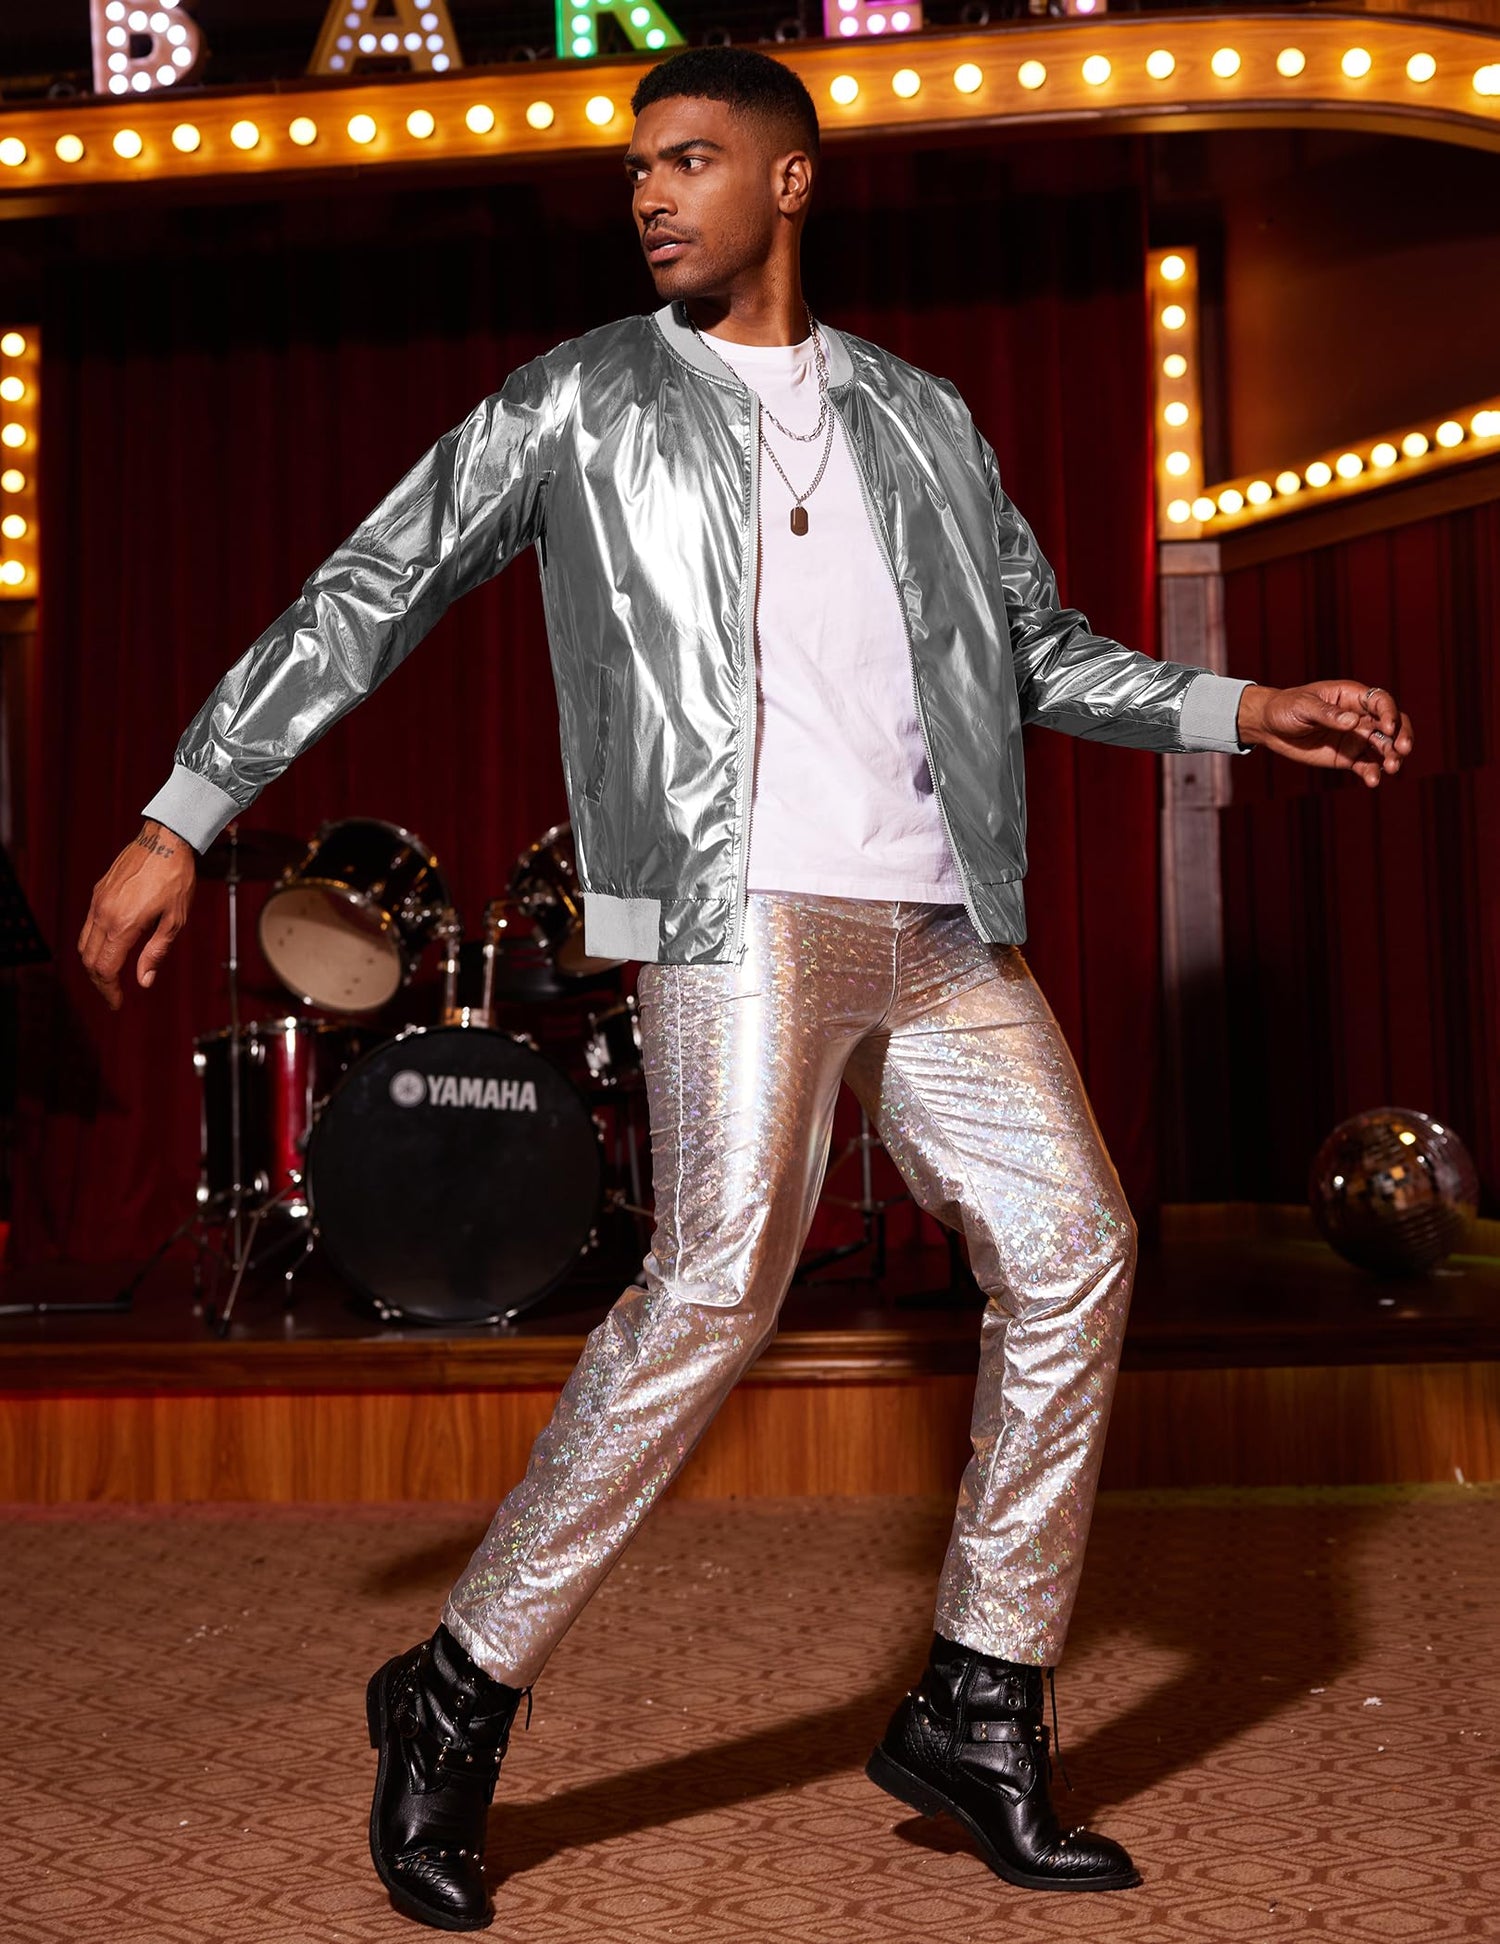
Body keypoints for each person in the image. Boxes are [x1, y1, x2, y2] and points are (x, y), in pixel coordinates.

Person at [79, 44, 1413, 1934]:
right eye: (638, 166)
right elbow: (372, 586)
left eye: (692, 159)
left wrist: (1237, 705)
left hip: (942, 919)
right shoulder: (578, 400)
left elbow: (1033, 647)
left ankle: (980, 1700)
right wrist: (183, 811)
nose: (650, 193)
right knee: (714, 1285)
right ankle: (456, 1688)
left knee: (1078, 1249)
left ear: (791, 182)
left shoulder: (921, 416)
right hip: (735, 911)